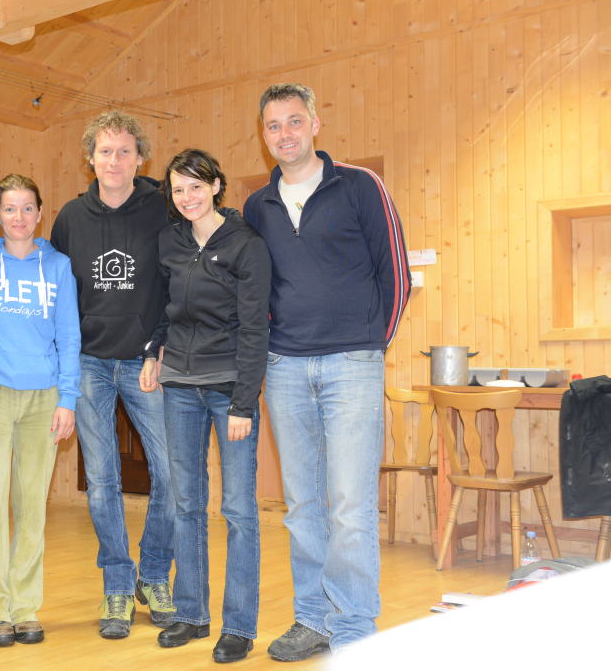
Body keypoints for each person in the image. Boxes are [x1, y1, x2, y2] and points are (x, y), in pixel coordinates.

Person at [243, 83, 411, 660]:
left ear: (315, 123)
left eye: (294, 121)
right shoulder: (256, 207)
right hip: (285, 369)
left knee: (350, 503)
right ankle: (312, 619)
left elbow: (398, 273)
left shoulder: (360, 186)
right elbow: (253, 290)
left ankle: (355, 627)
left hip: (352, 365)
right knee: (302, 505)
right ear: (262, 135)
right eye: (273, 125)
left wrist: (371, 346)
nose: (284, 133)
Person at [140, 149, 270, 664]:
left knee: (238, 509)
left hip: (229, 389)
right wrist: (153, 351)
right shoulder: (169, 242)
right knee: (185, 503)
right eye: (178, 189)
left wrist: (244, 401)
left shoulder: (245, 244)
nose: (187, 197)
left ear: (216, 186)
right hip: (179, 388)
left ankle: (239, 625)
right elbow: (163, 308)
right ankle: (192, 614)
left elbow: (256, 327)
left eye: (196, 186)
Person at [50, 110, 175, 638]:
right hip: (90, 363)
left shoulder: (164, 209)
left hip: (147, 361)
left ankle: (154, 573)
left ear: (140, 158)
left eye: (125, 151)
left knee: (173, 475)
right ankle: (118, 587)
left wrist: (161, 344)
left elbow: (179, 283)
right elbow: (56, 296)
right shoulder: (69, 218)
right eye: (105, 151)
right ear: (90, 158)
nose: (115, 161)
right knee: (102, 482)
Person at [0, 174, 81, 647]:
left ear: (40, 213)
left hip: (44, 397)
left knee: (31, 505)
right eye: (9, 208)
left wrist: (67, 399)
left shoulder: (57, 266)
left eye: (27, 208)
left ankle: (25, 608)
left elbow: (70, 335)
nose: (18, 217)